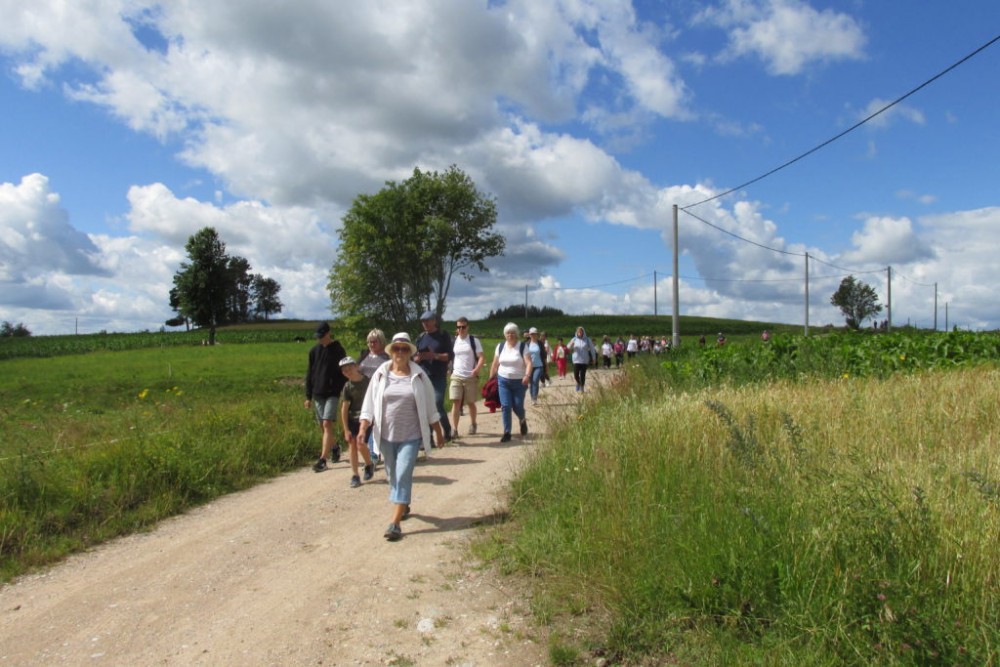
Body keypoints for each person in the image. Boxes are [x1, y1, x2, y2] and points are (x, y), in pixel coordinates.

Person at [358, 332, 445, 541]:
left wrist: (438, 431)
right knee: (392, 475)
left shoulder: (419, 375)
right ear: (391, 351)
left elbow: (430, 406)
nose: (400, 352)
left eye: (404, 349)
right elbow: (369, 403)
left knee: (403, 472)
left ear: (410, 352)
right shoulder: (381, 374)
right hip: (386, 436)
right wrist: (362, 428)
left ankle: (395, 523)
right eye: (396, 348)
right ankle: (403, 504)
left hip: (411, 436)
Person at [304, 321, 347, 472]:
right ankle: (334, 447)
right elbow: (309, 374)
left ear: (329, 333)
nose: (320, 339)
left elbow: (344, 372)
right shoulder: (313, 351)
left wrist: (340, 390)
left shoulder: (338, 350)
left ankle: (322, 460)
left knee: (327, 423)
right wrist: (308, 396)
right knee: (323, 426)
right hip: (318, 393)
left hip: (332, 393)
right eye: (318, 336)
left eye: (322, 336)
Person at [488, 322, 531, 442]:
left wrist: (527, 375)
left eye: (512, 333)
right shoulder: (500, 346)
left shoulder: (522, 346)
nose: (510, 335)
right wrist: (490, 380)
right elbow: (495, 364)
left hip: (519, 382)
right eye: (508, 333)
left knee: (517, 406)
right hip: (503, 381)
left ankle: (522, 420)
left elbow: (528, 363)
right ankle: (507, 432)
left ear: (516, 334)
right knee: (506, 406)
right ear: (505, 334)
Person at [415, 310, 454, 442]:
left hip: (438, 375)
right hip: (423, 376)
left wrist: (434, 356)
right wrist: (418, 359)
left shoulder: (443, 336)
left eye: (427, 321)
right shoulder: (421, 337)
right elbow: (414, 357)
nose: (425, 323)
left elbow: (449, 356)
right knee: (425, 406)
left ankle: (447, 429)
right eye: (423, 321)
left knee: (437, 403)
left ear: (434, 321)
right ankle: (429, 438)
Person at [338, 357, 376, 488]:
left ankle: (368, 464)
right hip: (352, 419)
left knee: (360, 444)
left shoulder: (368, 382)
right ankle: (355, 475)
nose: (348, 372)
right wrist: (346, 429)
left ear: (356, 366)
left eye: (350, 368)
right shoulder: (347, 387)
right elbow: (344, 409)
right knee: (352, 444)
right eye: (345, 370)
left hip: (366, 418)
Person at [357, 328, 390, 463]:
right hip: (364, 394)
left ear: (381, 342)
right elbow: (357, 370)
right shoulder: (364, 355)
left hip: (380, 394)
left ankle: (374, 454)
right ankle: (375, 452)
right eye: (369, 342)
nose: (371, 344)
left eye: (374, 341)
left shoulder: (387, 358)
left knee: (375, 424)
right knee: (368, 422)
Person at [449, 316, 484, 438]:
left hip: (470, 376)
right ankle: (454, 430)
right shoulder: (454, 341)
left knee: (470, 403)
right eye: (458, 327)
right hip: (456, 376)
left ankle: (473, 423)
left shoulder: (474, 341)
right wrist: (449, 369)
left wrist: (477, 369)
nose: (461, 329)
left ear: (467, 327)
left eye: (463, 327)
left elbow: (481, 357)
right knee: (456, 402)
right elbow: (451, 356)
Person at [567, 326, 595, 392]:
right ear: (576, 332)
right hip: (576, 360)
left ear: (583, 332)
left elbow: (592, 349)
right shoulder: (574, 339)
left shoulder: (587, 340)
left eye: (581, 331)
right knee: (576, 375)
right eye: (578, 332)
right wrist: (571, 345)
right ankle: (579, 383)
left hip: (584, 360)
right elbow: (567, 348)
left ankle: (582, 387)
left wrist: (594, 358)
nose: (579, 333)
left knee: (582, 375)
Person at [526, 327, 544, 405]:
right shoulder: (527, 344)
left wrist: (546, 365)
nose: (533, 335)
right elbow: (524, 355)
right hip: (529, 367)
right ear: (529, 335)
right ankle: (532, 397)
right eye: (532, 334)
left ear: (537, 335)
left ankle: (534, 398)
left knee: (535, 380)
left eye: (535, 334)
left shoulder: (540, 343)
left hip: (539, 365)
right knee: (530, 383)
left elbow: (543, 355)